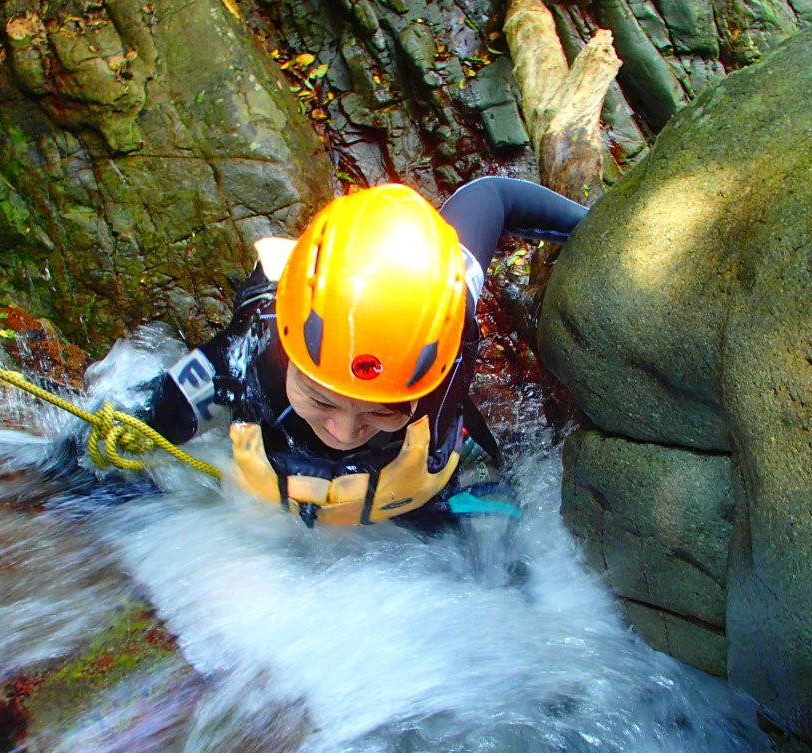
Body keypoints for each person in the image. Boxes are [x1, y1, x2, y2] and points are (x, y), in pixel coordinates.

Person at [137, 175, 587, 528]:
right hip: (283, 515)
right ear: (286, 354)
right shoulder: (245, 354)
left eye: (382, 410)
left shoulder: (442, 314)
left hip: (411, 495)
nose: (346, 430)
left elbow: (493, 198)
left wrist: (601, 224)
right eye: (321, 398)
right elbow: (117, 434)